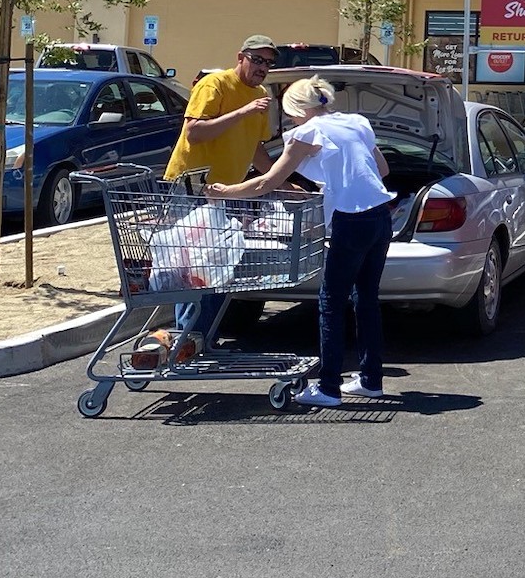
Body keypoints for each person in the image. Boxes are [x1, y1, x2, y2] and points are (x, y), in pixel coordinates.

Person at [210, 76, 394, 408]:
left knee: (330, 302)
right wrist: (336, 181)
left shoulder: (306, 133)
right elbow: (381, 169)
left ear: (297, 109)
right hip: (381, 215)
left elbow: (265, 182)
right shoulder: (356, 122)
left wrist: (223, 191)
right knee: (366, 299)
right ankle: (370, 380)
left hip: (350, 221)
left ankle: (328, 388)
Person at [162, 35, 279, 351]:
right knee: (192, 270)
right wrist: (243, 111)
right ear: (241, 56)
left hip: (227, 195)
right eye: (257, 60)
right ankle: (189, 341)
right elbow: (194, 132)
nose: (263, 68)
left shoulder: (261, 96)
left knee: (217, 270)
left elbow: (256, 149)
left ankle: (199, 341)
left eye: (269, 63)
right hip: (193, 190)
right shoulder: (215, 85)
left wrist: (280, 179)